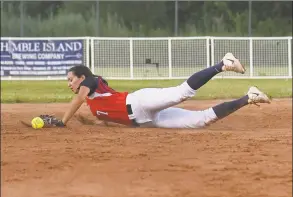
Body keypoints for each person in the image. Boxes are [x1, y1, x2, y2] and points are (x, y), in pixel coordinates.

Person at [39, 53, 271, 129]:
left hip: (139, 103)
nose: (69, 84)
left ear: (81, 77)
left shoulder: (89, 82)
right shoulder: (93, 101)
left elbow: (79, 98)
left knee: (182, 93)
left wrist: (62, 121)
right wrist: (93, 123)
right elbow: (111, 118)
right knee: (200, 121)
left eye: (71, 79)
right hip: (146, 120)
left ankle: (223, 63)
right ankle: (248, 97)